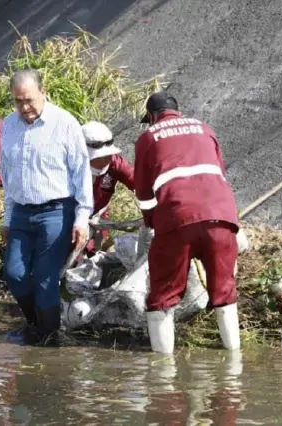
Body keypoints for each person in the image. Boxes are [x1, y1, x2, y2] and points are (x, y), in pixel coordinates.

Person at [134, 91, 242, 354]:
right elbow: (219, 173)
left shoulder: (148, 137)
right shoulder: (205, 129)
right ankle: (234, 361)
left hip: (177, 218)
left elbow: (144, 193)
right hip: (222, 216)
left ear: (151, 116)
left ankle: (163, 373)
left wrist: (151, 221)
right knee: (225, 292)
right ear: (177, 111)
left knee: (163, 296)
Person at [0, 69, 93, 344]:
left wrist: (82, 217)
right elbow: (8, 174)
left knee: (44, 279)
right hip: (21, 211)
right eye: (18, 101)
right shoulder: (10, 125)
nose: (24, 108)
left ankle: (50, 338)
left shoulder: (65, 123)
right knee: (14, 274)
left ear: (43, 92)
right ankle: (35, 324)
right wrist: (7, 218)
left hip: (56, 210)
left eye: (29, 100)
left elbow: (81, 172)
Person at [81, 121, 134, 257]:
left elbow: (138, 183)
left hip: (99, 222)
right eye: (101, 157)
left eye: (108, 155)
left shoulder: (115, 163)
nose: (106, 160)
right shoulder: (68, 166)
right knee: (74, 262)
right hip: (70, 224)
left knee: (106, 256)